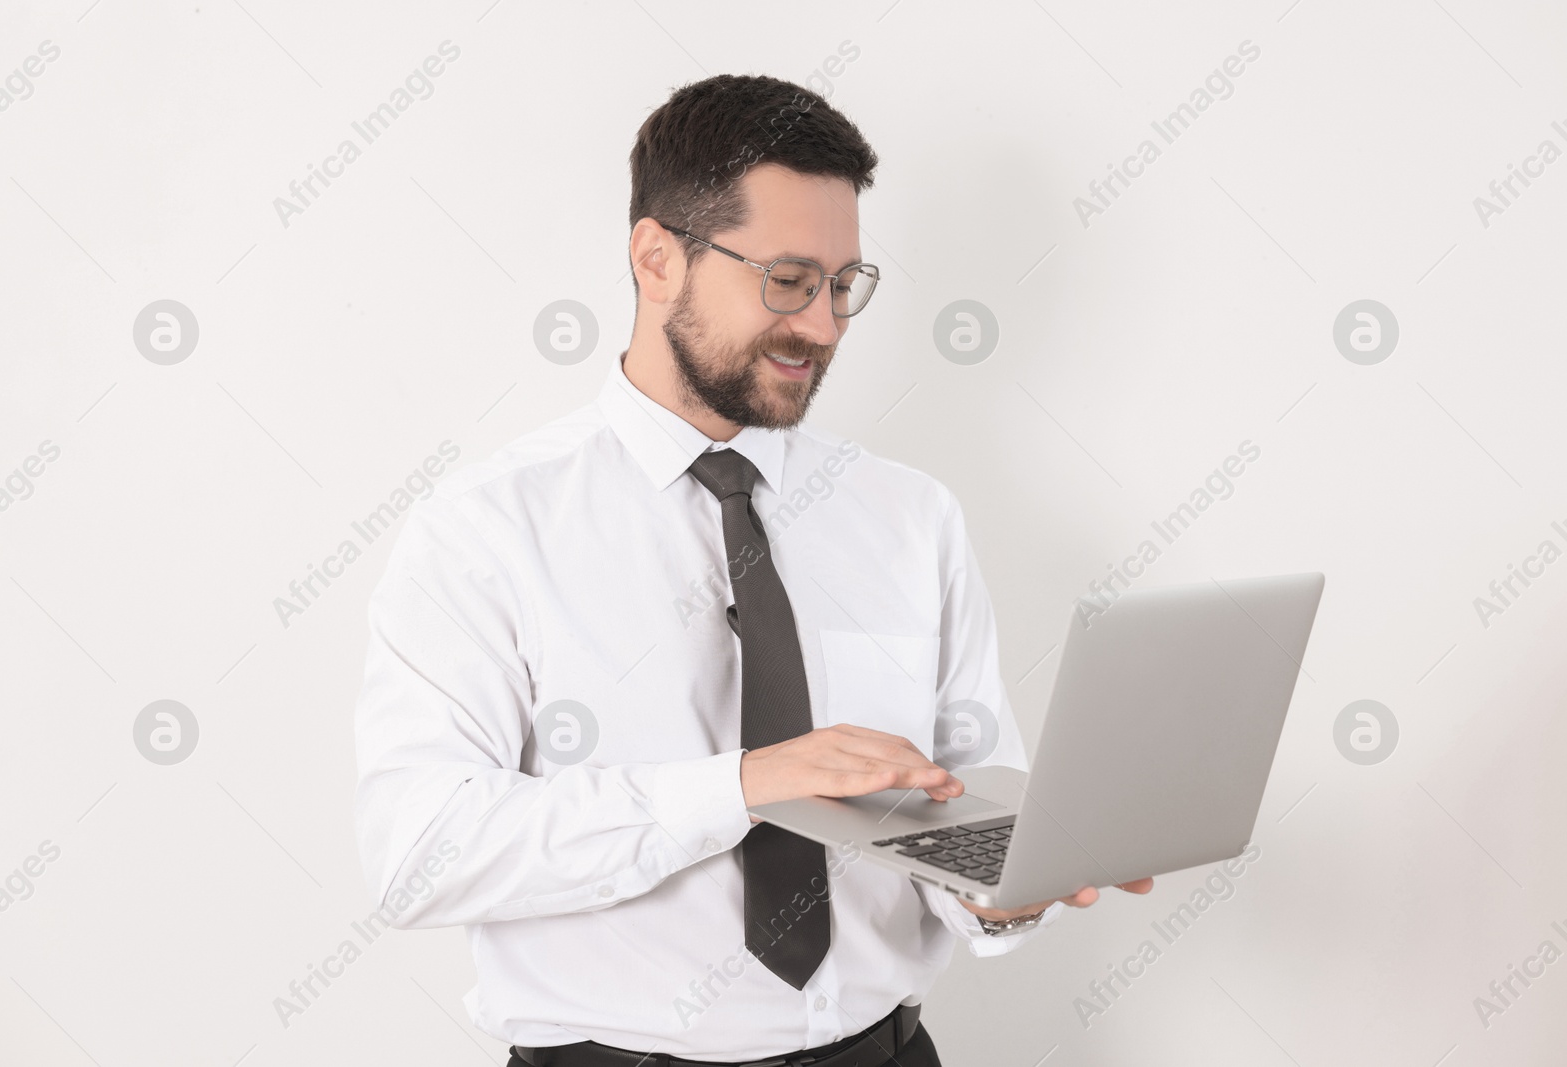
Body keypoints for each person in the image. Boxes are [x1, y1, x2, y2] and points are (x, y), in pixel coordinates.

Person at [353, 72, 1151, 1067]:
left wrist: (1008, 886)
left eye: (843, 284)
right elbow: (418, 852)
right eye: (786, 279)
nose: (821, 326)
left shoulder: (910, 517)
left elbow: (960, 797)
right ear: (656, 259)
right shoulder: (485, 529)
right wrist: (741, 785)